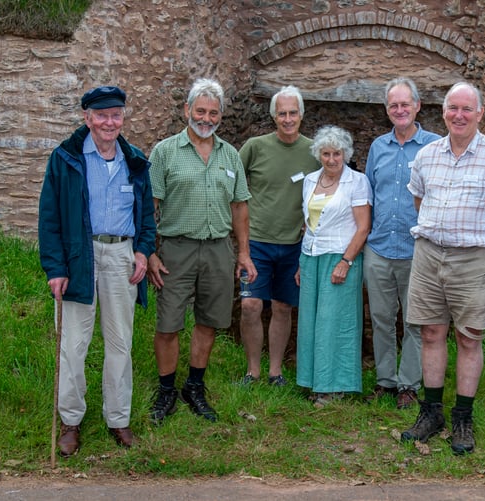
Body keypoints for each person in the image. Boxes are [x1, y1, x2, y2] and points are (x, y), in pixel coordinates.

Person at [401, 82, 485, 455]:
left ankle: (463, 418)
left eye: (467, 109)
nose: (459, 115)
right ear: (442, 111)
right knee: (430, 333)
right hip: (428, 255)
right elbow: (419, 199)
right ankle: (432, 412)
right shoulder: (427, 155)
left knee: (469, 338)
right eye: (452, 108)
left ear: (480, 113)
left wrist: (478, 231)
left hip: (472, 259)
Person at [38, 86, 156, 456]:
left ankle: (118, 419)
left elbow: (147, 216)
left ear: (123, 118)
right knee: (74, 344)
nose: (109, 122)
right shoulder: (66, 158)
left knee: (120, 342)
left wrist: (142, 252)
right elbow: (49, 217)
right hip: (80, 257)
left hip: (122, 255)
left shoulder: (134, 160)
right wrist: (56, 267)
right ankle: (70, 421)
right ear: (87, 118)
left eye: (116, 115)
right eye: (101, 115)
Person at [147, 78, 256, 424]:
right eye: (200, 111)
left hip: (218, 251)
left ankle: (194, 387)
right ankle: (166, 391)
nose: (206, 119)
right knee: (168, 323)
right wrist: (149, 253)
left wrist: (243, 253)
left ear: (221, 115)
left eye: (213, 113)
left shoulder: (230, 155)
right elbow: (149, 206)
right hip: (176, 250)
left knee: (209, 320)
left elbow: (240, 207)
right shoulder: (164, 152)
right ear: (186, 111)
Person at [363, 77, 441, 410]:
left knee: (414, 320)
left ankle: (409, 383)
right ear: (387, 110)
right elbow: (367, 194)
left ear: (417, 106)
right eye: (393, 105)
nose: (399, 110)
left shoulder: (435, 146)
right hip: (378, 248)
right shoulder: (377, 148)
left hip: (417, 251)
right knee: (380, 318)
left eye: (405, 104)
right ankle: (385, 381)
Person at [237, 86, 318, 387]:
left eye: (292, 113)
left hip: (294, 243)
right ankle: (252, 371)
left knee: (283, 307)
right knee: (250, 306)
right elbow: (231, 181)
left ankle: (275, 372)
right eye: (282, 113)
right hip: (256, 241)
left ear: (301, 115)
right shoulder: (255, 147)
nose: (287, 119)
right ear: (273, 116)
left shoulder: (313, 152)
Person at [295, 125, 372, 408]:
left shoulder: (357, 182)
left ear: (345, 154)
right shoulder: (310, 180)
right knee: (311, 322)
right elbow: (308, 224)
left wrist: (346, 261)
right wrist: (302, 262)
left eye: (336, 154)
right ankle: (311, 380)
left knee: (334, 323)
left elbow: (363, 227)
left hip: (341, 258)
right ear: (319, 155)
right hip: (311, 257)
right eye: (326, 153)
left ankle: (333, 387)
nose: (331, 159)